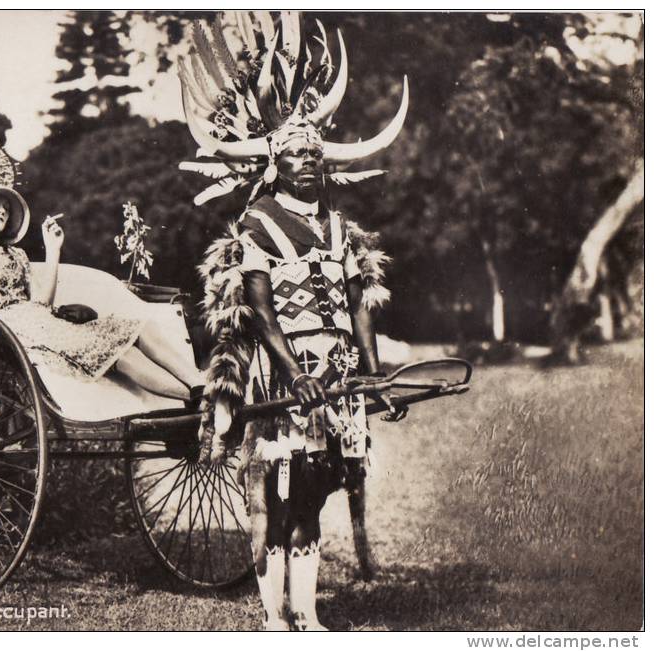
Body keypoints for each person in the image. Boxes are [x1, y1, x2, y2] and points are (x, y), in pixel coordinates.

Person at [179, 14, 408, 630]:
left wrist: (374, 375)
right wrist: (291, 374)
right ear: (274, 164)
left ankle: (305, 614)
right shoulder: (257, 224)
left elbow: (360, 304)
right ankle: (274, 619)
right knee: (274, 495)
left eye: (313, 153)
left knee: (315, 491)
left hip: (335, 372)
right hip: (283, 373)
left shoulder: (341, 228)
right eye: (294, 154)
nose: (306, 162)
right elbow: (258, 306)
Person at [0, 180, 204, 401]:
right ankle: (194, 399)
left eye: (6, 208)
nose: (2, 211)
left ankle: (198, 383)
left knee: (138, 328)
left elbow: (41, 302)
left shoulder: (18, 255)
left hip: (38, 321)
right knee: (117, 353)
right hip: (0, 329)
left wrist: (53, 250)